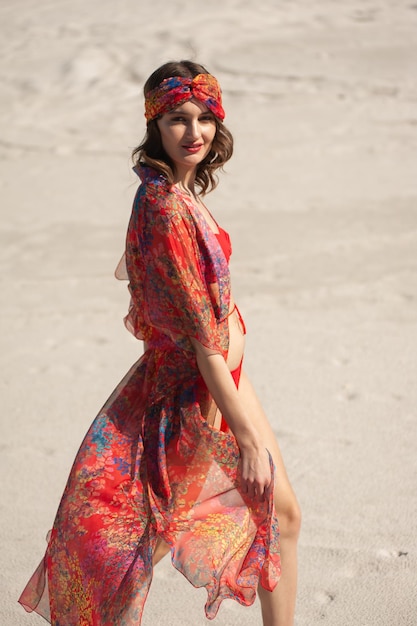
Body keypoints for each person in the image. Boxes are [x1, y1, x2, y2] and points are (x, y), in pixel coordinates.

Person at [19, 60, 301, 626]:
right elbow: (202, 340)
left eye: (203, 118)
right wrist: (244, 438)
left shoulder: (172, 193)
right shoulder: (164, 204)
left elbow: (138, 271)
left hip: (224, 383)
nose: (192, 132)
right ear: (154, 125)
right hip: (196, 395)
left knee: (281, 518)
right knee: (138, 544)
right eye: (177, 119)